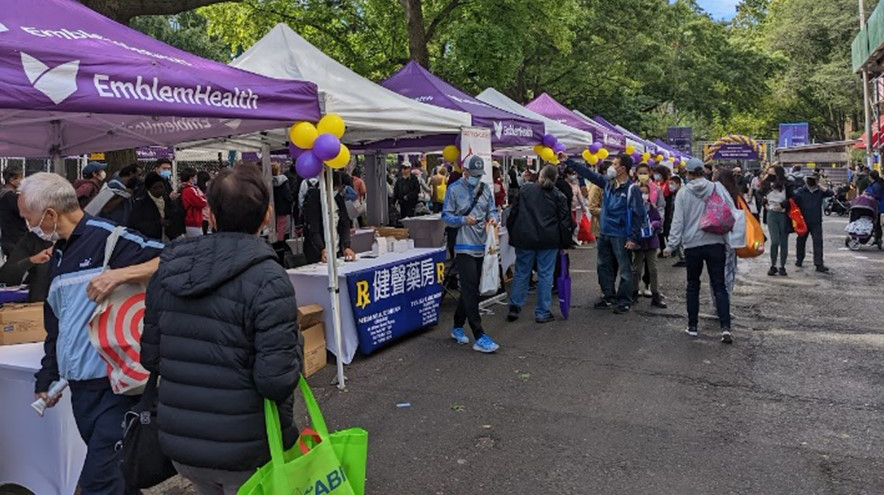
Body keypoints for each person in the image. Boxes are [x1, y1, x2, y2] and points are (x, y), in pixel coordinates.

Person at [140, 164, 301, 493]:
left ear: (210, 215)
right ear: (267, 215)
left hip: (182, 444)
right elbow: (276, 381)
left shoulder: (170, 269)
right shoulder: (269, 279)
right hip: (248, 446)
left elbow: (151, 357)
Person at [21, 172, 162, 493]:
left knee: (99, 481)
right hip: (81, 392)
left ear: (50, 214)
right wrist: (47, 378)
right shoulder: (57, 254)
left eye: (28, 218)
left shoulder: (110, 238)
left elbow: (175, 257)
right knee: (120, 478)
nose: (28, 226)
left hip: (120, 388)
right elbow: (57, 327)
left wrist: (122, 274)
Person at [663, 159, 735, 344]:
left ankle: (692, 326)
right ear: (704, 172)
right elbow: (731, 210)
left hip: (692, 244)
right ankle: (725, 328)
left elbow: (677, 221)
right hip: (716, 241)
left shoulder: (683, 193)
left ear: (688, 173)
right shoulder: (716, 188)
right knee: (719, 285)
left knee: (693, 285)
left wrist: (671, 245)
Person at [567, 153, 646, 314]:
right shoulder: (608, 183)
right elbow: (590, 174)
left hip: (621, 234)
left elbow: (639, 215)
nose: (611, 167)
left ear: (623, 168)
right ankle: (609, 296)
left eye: (615, 164)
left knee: (625, 268)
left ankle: (624, 300)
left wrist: (632, 237)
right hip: (605, 232)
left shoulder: (632, 189)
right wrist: (569, 162)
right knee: (603, 266)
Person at [442, 155, 500, 353]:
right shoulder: (454, 189)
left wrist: (493, 219)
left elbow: (492, 210)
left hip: (481, 244)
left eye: (479, 174)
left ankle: (457, 326)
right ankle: (479, 334)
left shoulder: (484, 190)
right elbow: (446, 216)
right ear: (465, 172)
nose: (476, 177)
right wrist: (463, 220)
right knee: (469, 288)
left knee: (472, 289)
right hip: (463, 245)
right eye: (473, 174)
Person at [506, 165, 571, 323]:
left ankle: (515, 306)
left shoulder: (525, 191)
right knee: (545, 274)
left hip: (525, 237)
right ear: (555, 178)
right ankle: (542, 311)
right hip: (549, 239)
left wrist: (512, 232)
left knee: (522, 272)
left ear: (540, 175)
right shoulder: (559, 196)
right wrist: (565, 242)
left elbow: (513, 213)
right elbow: (564, 222)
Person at [303, 171, 355, 264]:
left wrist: (347, 246)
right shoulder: (314, 199)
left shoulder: (338, 199)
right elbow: (313, 228)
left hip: (336, 249)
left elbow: (345, 223)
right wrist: (322, 248)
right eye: (334, 188)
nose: (337, 190)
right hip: (318, 252)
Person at [630, 183, 667, 309]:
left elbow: (658, 221)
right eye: (641, 193)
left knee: (653, 269)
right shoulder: (632, 208)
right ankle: (634, 292)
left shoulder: (652, 207)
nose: (644, 195)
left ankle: (655, 294)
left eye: (646, 192)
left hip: (651, 242)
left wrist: (653, 225)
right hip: (639, 242)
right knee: (636, 269)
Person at [792, 172, 835, 273]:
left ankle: (819, 263)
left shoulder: (819, 192)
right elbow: (794, 202)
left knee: (818, 242)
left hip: (816, 221)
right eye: (810, 179)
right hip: (803, 221)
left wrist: (820, 186)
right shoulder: (801, 191)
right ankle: (799, 259)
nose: (811, 181)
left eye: (814, 180)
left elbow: (831, 193)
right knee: (801, 241)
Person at [713, 168, 742, 296]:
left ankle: (717, 298)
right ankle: (725, 298)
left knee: (716, 270)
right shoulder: (735, 193)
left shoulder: (713, 191)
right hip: (732, 235)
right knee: (729, 269)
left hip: (715, 233)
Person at [0, 232, 53, 302]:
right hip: (39, 305)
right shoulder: (32, 239)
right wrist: (31, 261)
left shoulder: (70, 243)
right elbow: (6, 277)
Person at [760, 165, 792, 276]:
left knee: (784, 242)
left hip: (784, 214)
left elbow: (792, 198)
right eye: (769, 173)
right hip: (771, 213)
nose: (770, 176)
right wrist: (765, 204)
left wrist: (783, 205)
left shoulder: (787, 184)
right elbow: (760, 194)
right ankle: (773, 265)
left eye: (773, 174)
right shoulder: (766, 184)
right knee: (775, 241)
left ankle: (782, 266)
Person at [128, 172, 168, 241]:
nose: (159, 190)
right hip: (149, 240)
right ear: (148, 189)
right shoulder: (141, 205)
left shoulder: (167, 200)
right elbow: (136, 225)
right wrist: (158, 223)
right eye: (155, 188)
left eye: (161, 187)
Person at [0, 165, 27, 257]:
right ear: (12, 180)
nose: (23, 181)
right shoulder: (10, 197)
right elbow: (26, 212)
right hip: (16, 239)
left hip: (8, 238)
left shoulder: (3, 194)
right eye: (21, 178)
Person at [179, 168, 208, 238]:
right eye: (194, 177)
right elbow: (201, 203)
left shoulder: (184, 188)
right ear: (190, 178)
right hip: (193, 221)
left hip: (190, 221)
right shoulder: (190, 190)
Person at [271, 163, 294, 243]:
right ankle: (279, 242)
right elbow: (286, 193)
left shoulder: (269, 181)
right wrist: (291, 200)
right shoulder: (283, 181)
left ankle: (273, 240)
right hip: (283, 206)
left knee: (274, 224)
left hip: (273, 206)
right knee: (282, 225)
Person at [587, 162, 606, 240]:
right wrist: (608, 211)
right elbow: (592, 208)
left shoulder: (612, 184)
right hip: (600, 225)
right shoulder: (596, 187)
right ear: (605, 171)